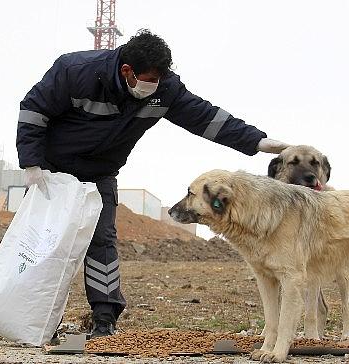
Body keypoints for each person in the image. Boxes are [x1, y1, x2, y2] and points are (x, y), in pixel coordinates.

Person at [16, 29, 289, 339]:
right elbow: (34, 109)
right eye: (149, 79)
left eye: (160, 79)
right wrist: (31, 163)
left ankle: (104, 319)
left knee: (102, 241)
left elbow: (205, 118)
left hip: (100, 173)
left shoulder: (164, 90)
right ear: (127, 71)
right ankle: (30, 316)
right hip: (51, 172)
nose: (154, 86)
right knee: (42, 243)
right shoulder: (75, 71)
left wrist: (257, 141)